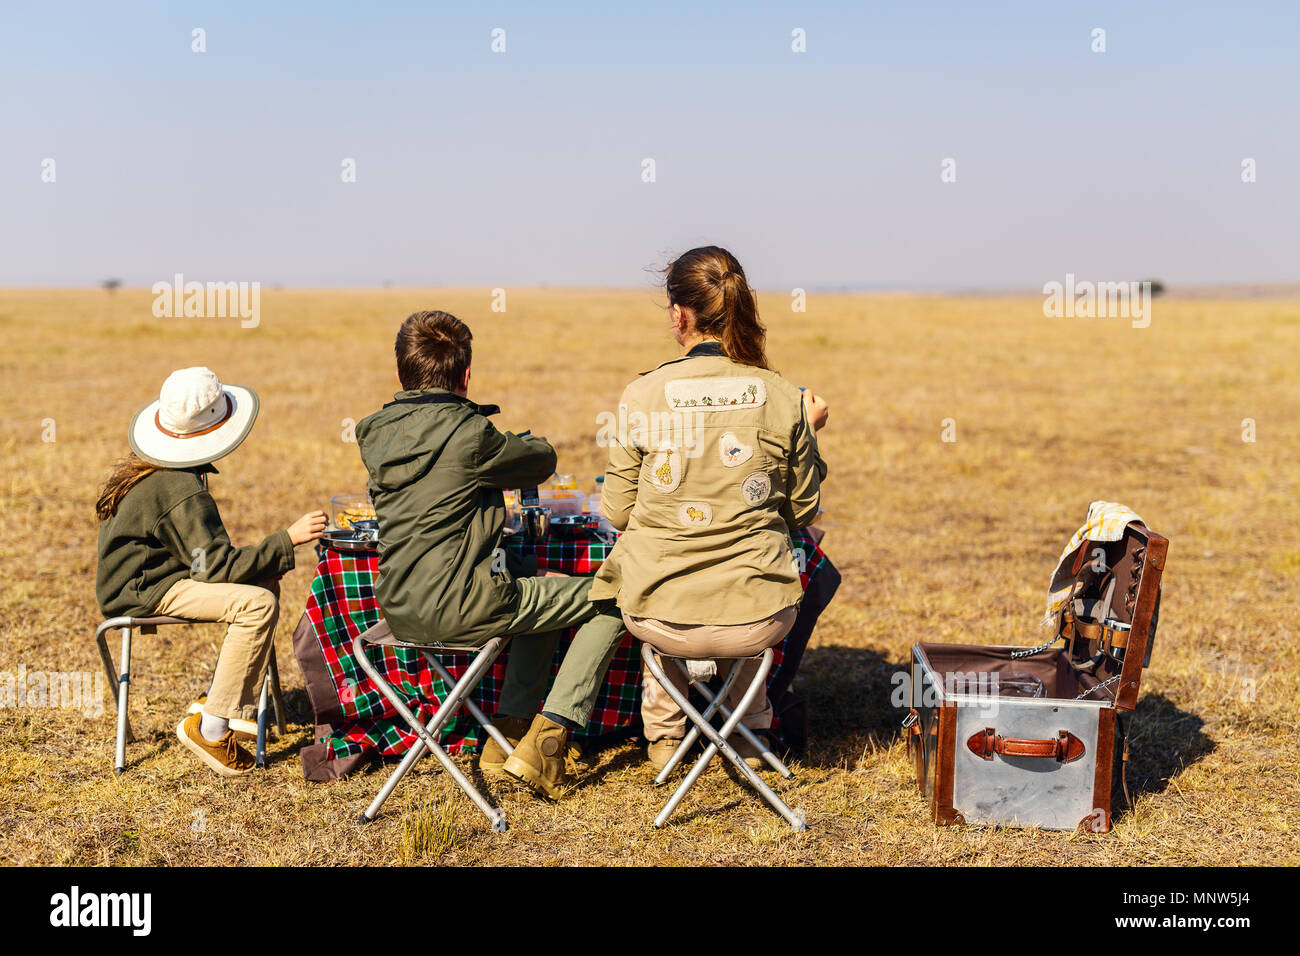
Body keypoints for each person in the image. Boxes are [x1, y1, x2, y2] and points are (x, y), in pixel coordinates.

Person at [354, 310, 626, 799]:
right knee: (617, 597)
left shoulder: (372, 432)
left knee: (535, 596)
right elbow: (542, 461)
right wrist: (520, 441)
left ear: (400, 374)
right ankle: (549, 738)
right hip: (466, 606)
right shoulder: (473, 434)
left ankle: (507, 735)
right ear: (466, 375)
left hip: (396, 607)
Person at [591, 246, 830, 770]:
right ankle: (748, 728)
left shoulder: (641, 394)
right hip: (758, 615)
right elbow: (804, 511)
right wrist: (808, 433)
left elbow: (616, 512)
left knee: (662, 583)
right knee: (753, 585)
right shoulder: (783, 396)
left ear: (680, 314)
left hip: (658, 611)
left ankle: (664, 738)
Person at [95, 367, 327, 776]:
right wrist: (286, 540)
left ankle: (216, 702)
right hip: (146, 588)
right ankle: (212, 728)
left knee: (262, 588)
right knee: (256, 604)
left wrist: (265, 564)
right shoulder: (179, 487)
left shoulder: (153, 468)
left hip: (152, 577)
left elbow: (206, 561)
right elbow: (216, 566)